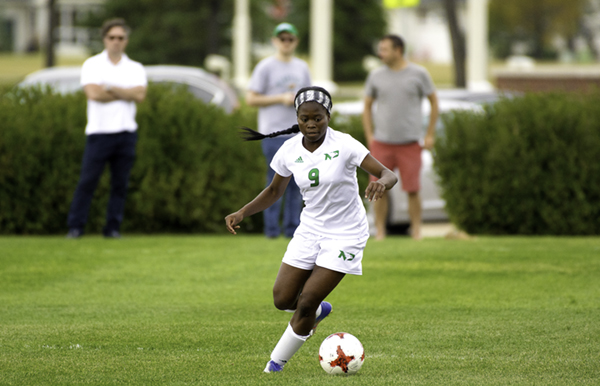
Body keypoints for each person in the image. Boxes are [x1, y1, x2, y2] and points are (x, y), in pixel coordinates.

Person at [225, 87, 397, 372]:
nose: (312, 124)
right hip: (310, 230)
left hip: (346, 233)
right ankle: (320, 311)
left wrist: (381, 182)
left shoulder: (345, 144)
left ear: (328, 116)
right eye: (305, 119)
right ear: (298, 118)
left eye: (318, 118)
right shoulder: (290, 149)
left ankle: (274, 365)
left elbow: (389, 174)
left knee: (305, 303)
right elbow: (274, 190)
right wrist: (243, 211)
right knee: (282, 300)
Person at [66, 18, 147, 239]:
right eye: (112, 37)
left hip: (126, 133)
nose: (116, 42)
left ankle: (112, 228)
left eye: (120, 38)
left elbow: (139, 95)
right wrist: (124, 92)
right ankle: (76, 227)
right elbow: (94, 94)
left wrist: (109, 87)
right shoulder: (92, 64)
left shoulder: (135, 67)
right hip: (99, 133)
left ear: (126, 40)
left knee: (120, 185)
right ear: (105, 39)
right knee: (87, 182)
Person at [362, 34, 439, 241]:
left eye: (385, 49)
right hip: (381, 143)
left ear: (398, 50)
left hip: (410, 143)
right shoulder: (376, 75)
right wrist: (370, 136)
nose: (381, 53)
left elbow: (434, 102)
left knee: (413, 189)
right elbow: (367, 106)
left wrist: (429, 134)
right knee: (379, 188)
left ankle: (416, 231)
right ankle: (380, 232)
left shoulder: (419, 73)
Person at [246, 22, 312, 239]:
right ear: (275, 41)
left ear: (296, 42)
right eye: (282, 39)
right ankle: (271, 230)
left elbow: (310, 97)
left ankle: (293, 230)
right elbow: (251, 98)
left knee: (297, 183)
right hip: (273, 133)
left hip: (298, 134)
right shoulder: (265, 67)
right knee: (274, 182)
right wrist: (280, 98)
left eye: (290, 39)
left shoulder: (302, 67)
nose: (286, 43)